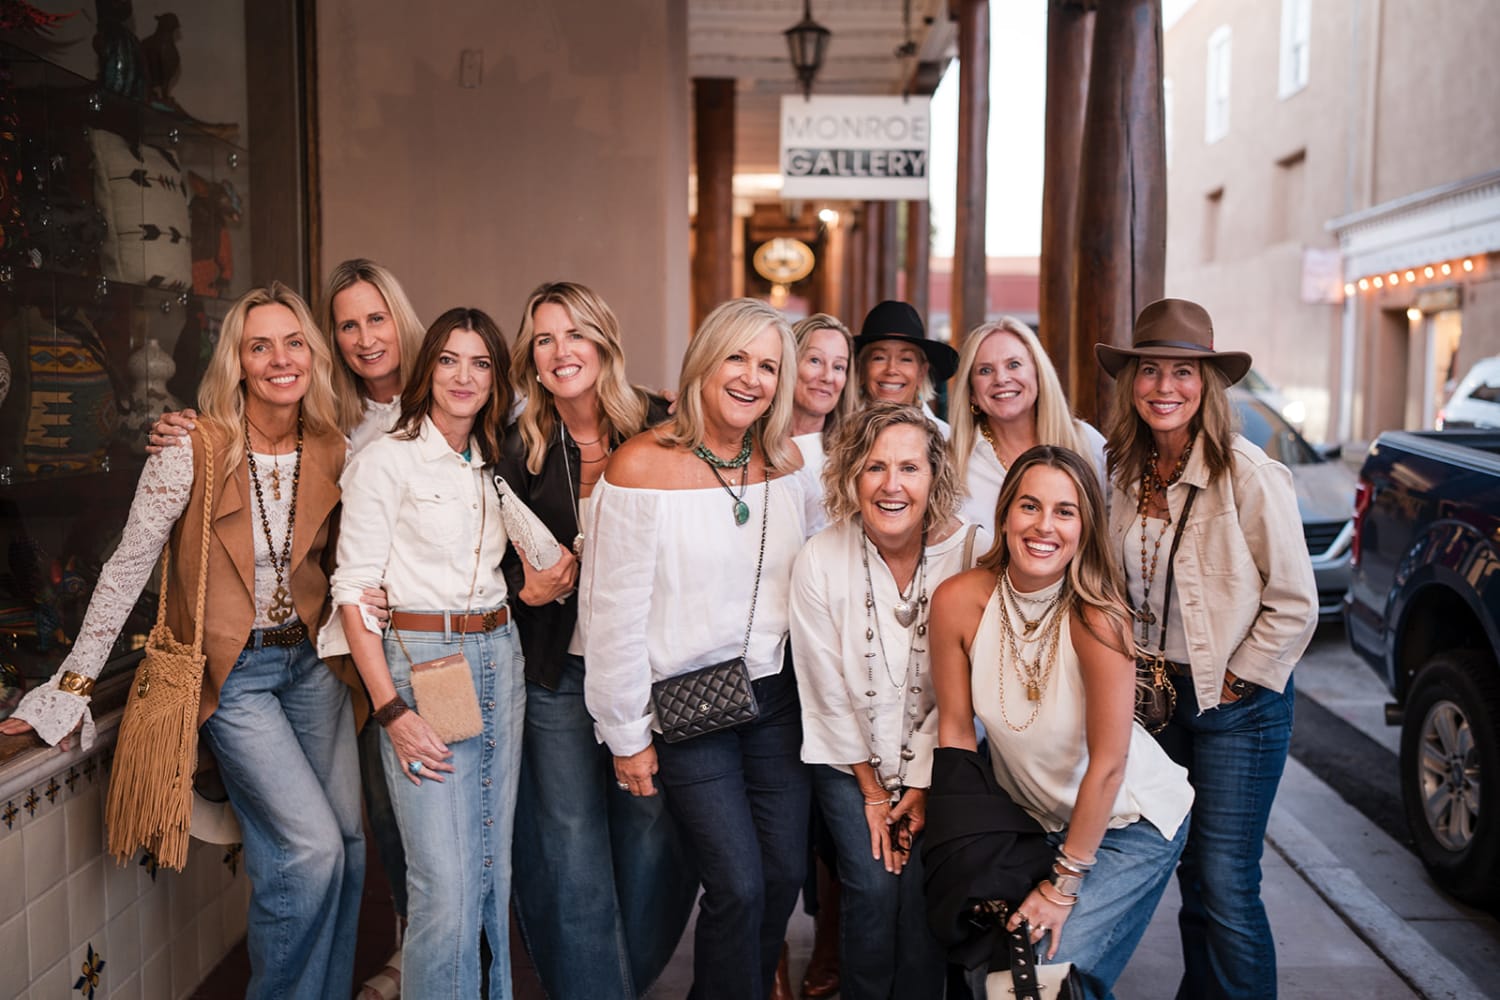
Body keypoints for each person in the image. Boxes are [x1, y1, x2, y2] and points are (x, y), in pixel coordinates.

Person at [1, 284, 365, 999]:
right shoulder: (191, 448)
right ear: (237, 361)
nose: (280, 360)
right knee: (310, 851)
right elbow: (126, 565)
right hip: (238, 678)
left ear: (315, 358)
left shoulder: (332, 446)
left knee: (347, 851)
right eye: (259, 346)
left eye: (294, 343)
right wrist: (71, 685)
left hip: (314, 665)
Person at [581, 297, 812, 1000]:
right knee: (737, 883)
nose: (751, 378)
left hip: (775, 701)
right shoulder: (640, 467)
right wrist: (625, 734)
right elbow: (611, 615)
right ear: (704, 364)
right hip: (688, 706)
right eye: (737, 358)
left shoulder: (788, 461)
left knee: (780, 877)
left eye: (769, 365)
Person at [1097, 298, 1317, 999]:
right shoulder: (1121, 471)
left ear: (1207, 385)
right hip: (1155, 703)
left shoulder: (1249, 476)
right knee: (1189, 867)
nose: (1166, 387)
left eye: (1183, 372)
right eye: (1151, 371)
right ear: (1132, 384)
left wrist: (1234, 685)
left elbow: (1295, 605)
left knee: (1226, 879)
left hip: (1237, 706)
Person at [333, 307, 548, 999]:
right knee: (443, 882)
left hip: (497, 655)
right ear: (428, 370)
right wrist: (390, 708)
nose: (464, 376)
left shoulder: (491, 462)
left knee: (490, 869)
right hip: (425, 661)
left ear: (496, 377)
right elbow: (353, 591)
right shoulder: (385, 459)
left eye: (480, 362)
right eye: (450, 360)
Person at [929, 445, 1195, 1000]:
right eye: (1029, 506)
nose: (1043, 526)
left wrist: (1062, 885)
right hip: (1031, 819)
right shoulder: (958, 600)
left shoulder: (1099, 620)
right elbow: (955, 732)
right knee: (1007, 972)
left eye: (1065, 511)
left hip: (1129, 822)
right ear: (1005, 515)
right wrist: (961, 844)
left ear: (1085, 528)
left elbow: (1110, 764)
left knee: (1043, 979)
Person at [497, 280, 695, 999]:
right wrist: (525, 593)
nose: (560, 351)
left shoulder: (664, 425)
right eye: (544, 339)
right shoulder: (514, 446)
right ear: (532, 358)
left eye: (575, 334)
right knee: (569, 848)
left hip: (646, 671)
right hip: (553, 671)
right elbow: (486, 567)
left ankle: (617, 983)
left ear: (604, 341)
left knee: (653, 839)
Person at [789, 402, 986, 1000]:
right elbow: (822, 685)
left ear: (936, 478)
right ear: (851, 475)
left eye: (909, 468)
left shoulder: (977, 554)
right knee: (873, 893)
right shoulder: (821, 557)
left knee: (924, 894)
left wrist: (924, 784)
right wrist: (874, 791)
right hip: (850, 766)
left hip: (947, 763)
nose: (892, 485)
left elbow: (974, 689)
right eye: (875, 468)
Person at [948, 317, 1107, 533]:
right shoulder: (949, 463)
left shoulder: (1088, 443)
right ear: (972, 393)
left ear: (1039, 374)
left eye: (1014, 365)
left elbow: (1112, 537)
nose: (1001, 379)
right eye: (985, 370)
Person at [852, 300, 958, 437]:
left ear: (922, 372)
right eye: (879, 358)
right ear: (861, 369)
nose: (891, 370)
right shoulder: (835, 438)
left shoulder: (948, 442)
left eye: (905, 359)